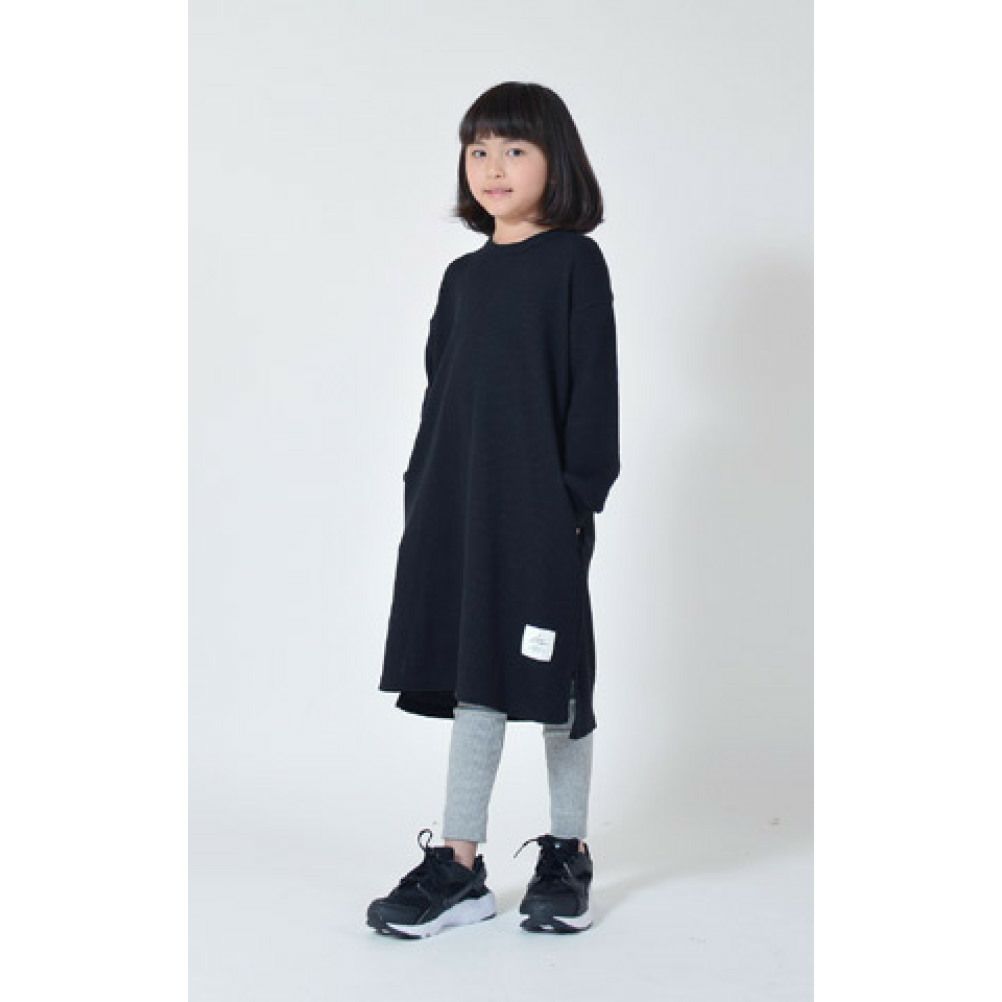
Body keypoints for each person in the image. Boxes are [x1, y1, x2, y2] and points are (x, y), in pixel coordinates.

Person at [367, 81, 620, 939]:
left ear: (556, 159)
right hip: (456, 506)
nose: (493, 167)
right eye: (478, 150)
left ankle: (567, 852)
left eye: (515, 149)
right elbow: (441, 392)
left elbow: (593, 390)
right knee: (475, 669)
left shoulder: (574, 262)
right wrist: (423, 491)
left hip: (541, 509)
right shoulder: (463, 276)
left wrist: (576, 496)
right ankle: (460, 865)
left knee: (556, 678)